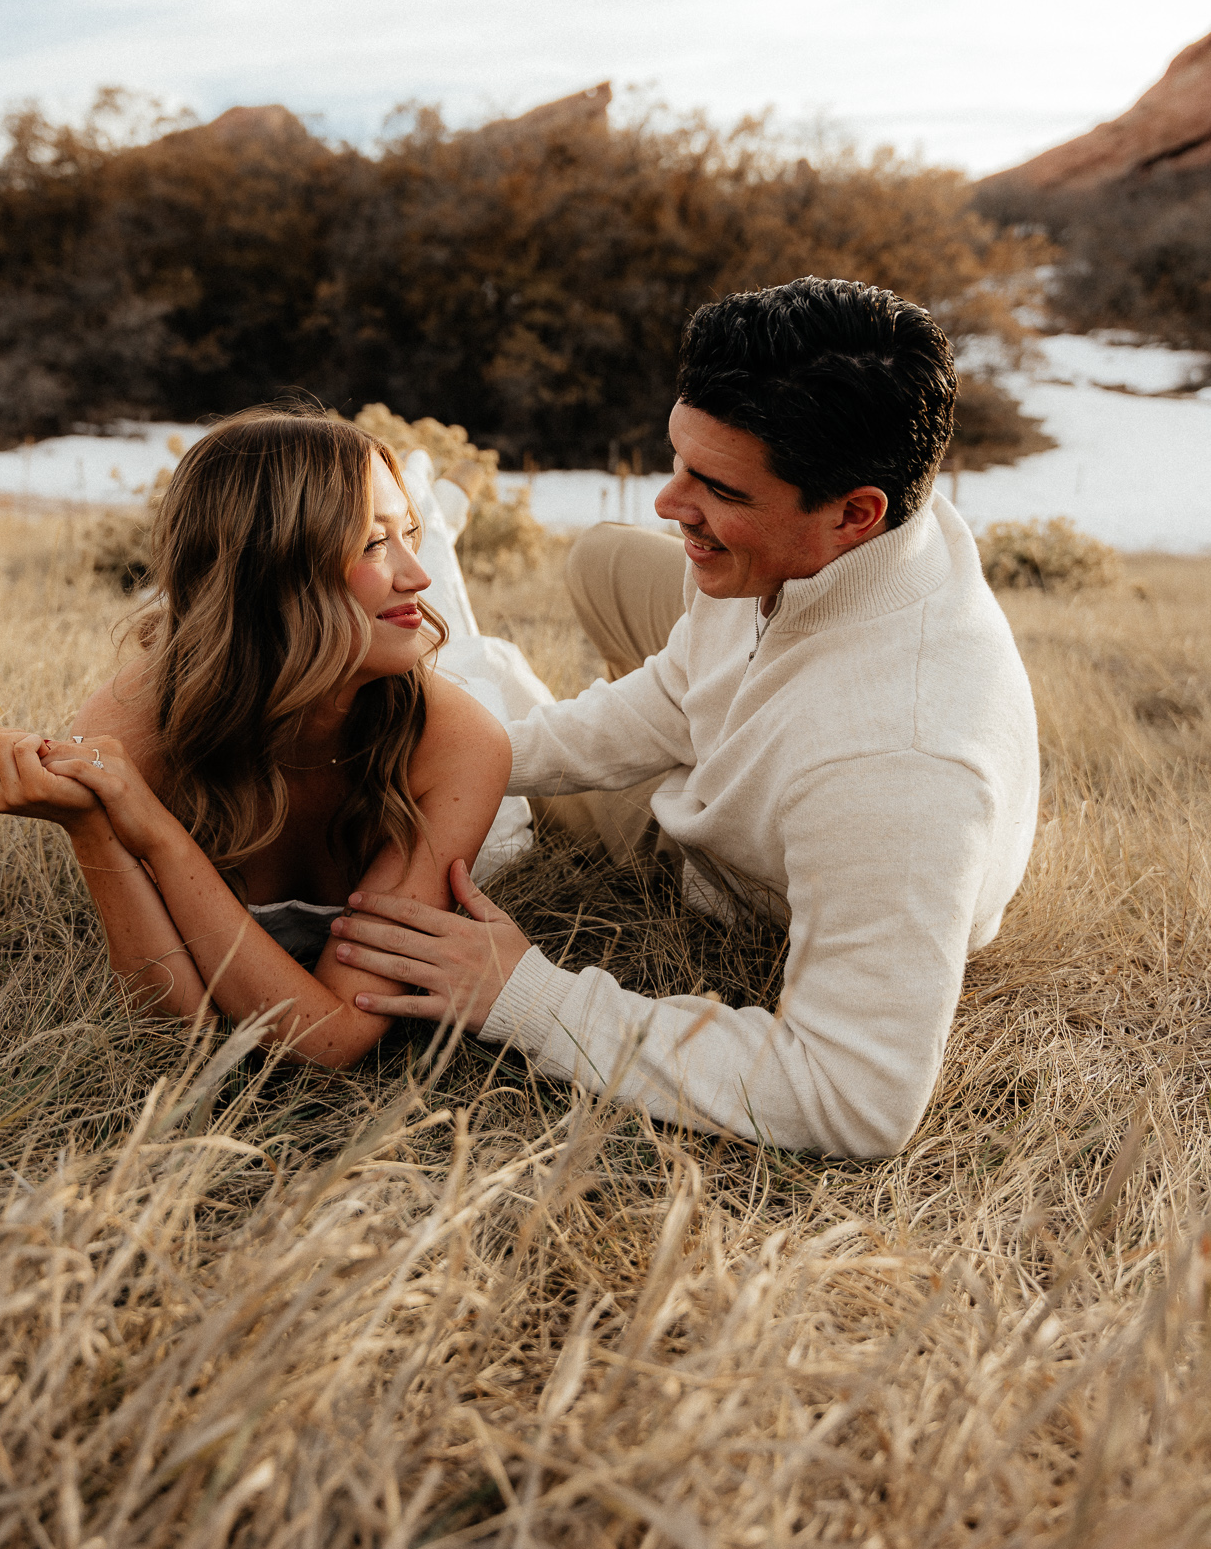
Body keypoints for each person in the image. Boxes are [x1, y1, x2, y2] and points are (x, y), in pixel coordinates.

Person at [324, 279, 1041, 1156]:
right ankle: (477, 705)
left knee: (688, 749)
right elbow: (675, 691)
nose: (667, 503)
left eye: (719, 488)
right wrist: (473, 756)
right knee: (603, 559)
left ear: (855, 515)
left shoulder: (895, 764)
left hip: (794, 851)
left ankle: (485, 691)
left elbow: (852, 1099)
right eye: (678, 459)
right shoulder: (834, 526)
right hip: (788, 711)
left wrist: (524, 995)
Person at [0, 409, 511, 1068]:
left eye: (405, 537)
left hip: (458, 723)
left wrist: (156, 833)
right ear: (270, 572)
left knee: (483, 653)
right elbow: (177, 1028)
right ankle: (430, 509)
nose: (411, 572)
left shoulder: (462, 741)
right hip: (366, 640)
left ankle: (437, 513)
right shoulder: (132, 728)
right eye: (371, 542)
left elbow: (332, 1039)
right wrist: (94, 827)